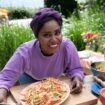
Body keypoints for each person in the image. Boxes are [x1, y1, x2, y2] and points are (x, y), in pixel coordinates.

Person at [0, 8, 84, 104]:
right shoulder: (24, 52)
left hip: (55, 80)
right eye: (46, 35)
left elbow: (76, 68)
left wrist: (77, 78)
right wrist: (2, 93)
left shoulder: (67, 46)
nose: (54, 39)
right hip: (30, 79)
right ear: (37, 36)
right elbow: (6, 77)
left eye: (57, 33)